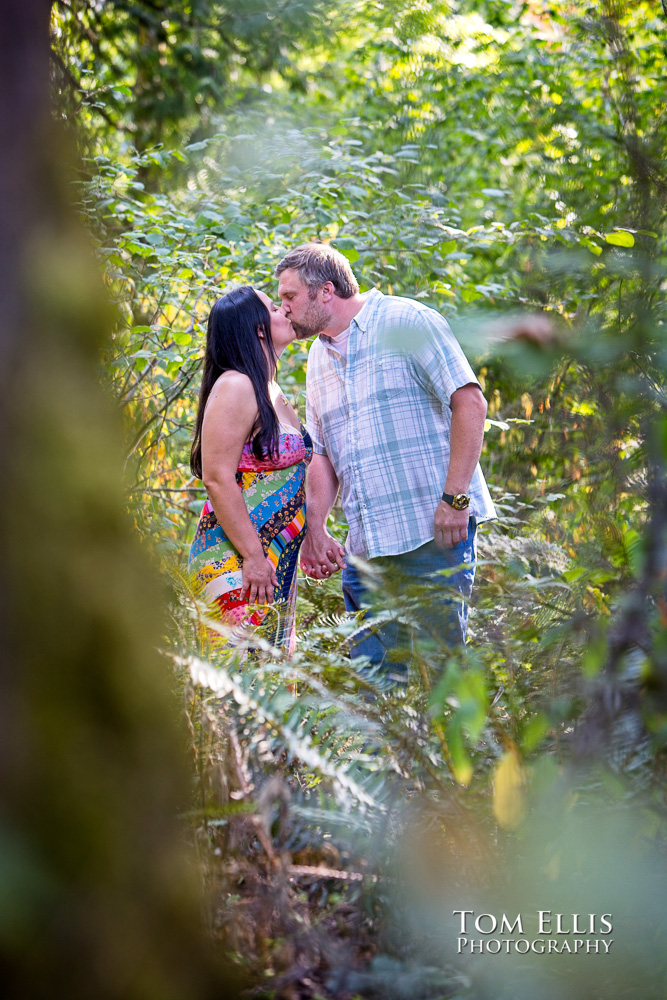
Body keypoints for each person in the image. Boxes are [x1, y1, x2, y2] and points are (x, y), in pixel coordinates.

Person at [275, 243, 496, 688]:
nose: (283, 309)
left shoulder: (407, 321)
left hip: (432, 537)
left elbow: (470, 401)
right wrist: (316, 528)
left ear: (325, 292)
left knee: (444, 683)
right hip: (367, 551)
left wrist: (456, 498)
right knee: (374, 694)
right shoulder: (318, 356)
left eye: (289, 297)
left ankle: (458, 760)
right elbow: (320, 453)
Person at [188, 285, 312, 653]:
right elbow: (217, 477)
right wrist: (254, 558)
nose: (286, 311)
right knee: (239, 687)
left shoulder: (270, 389)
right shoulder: (236, 385)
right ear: (258, 328)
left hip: (272, 562)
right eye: (276, 307)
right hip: (237, 562)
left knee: (270, 685)